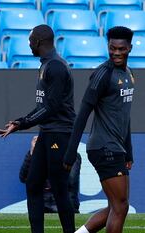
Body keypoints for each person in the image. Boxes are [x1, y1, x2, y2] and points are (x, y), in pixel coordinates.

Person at [0, 24, 76, 233]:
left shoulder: (56, 66)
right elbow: (44, 107)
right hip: (48, 131)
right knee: (33, 183)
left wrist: (22, 123)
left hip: (60, 132)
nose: (29, 44)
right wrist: (20, 122)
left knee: (59, 188)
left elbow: (51, 107)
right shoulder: (46, 64)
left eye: (30, 41)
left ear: (38, 42)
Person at [64, 26, 135, 233]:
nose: (116, 53)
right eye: (112, 48)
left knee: (117, 206)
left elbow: (124, 116)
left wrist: (128, 151)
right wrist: (70, 154)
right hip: (104, 147)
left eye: (121, 49)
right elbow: (83, 114)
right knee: (120, 207)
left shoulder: (129, 74)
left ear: (130, 48)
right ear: (108, 47)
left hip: (116, 148)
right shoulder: (103, 74)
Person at [19, 136, 81, 213]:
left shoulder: (71, 155)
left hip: (64, 205)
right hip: (42, 205)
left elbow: (71, 181)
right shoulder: (37, 156)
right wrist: (32, 153)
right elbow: (23, 178)